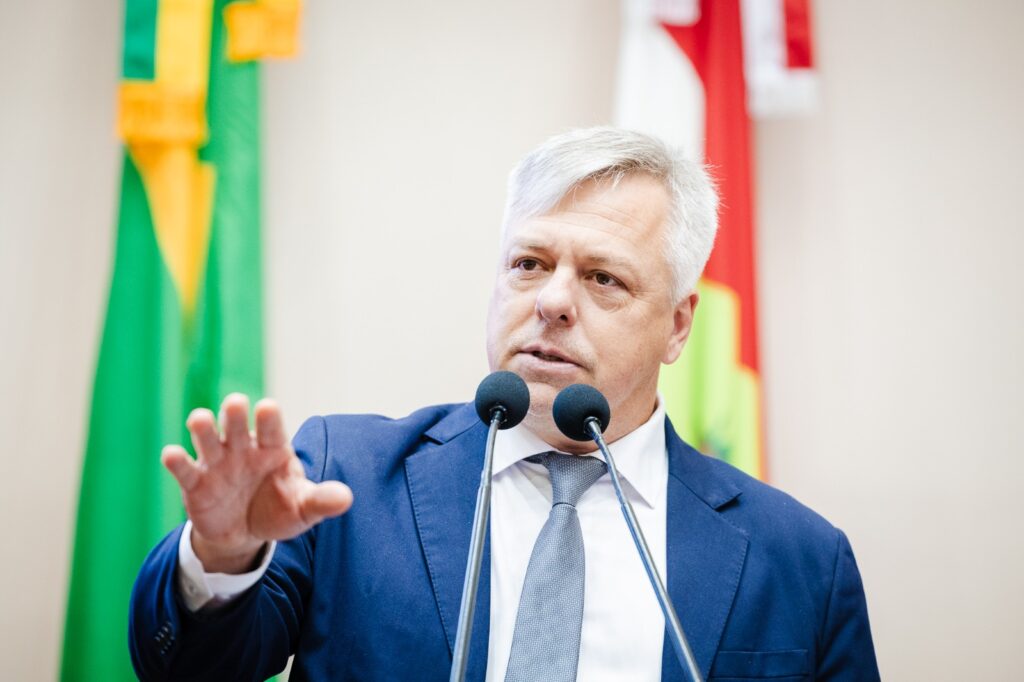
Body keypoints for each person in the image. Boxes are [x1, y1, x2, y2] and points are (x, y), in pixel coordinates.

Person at [129, 128, 880, 681]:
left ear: (678, 326)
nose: (552, 301)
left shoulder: (802, 561)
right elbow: (191, 668)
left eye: (603, 278)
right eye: (529, 263)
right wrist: (222, 560)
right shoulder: (343, 478)